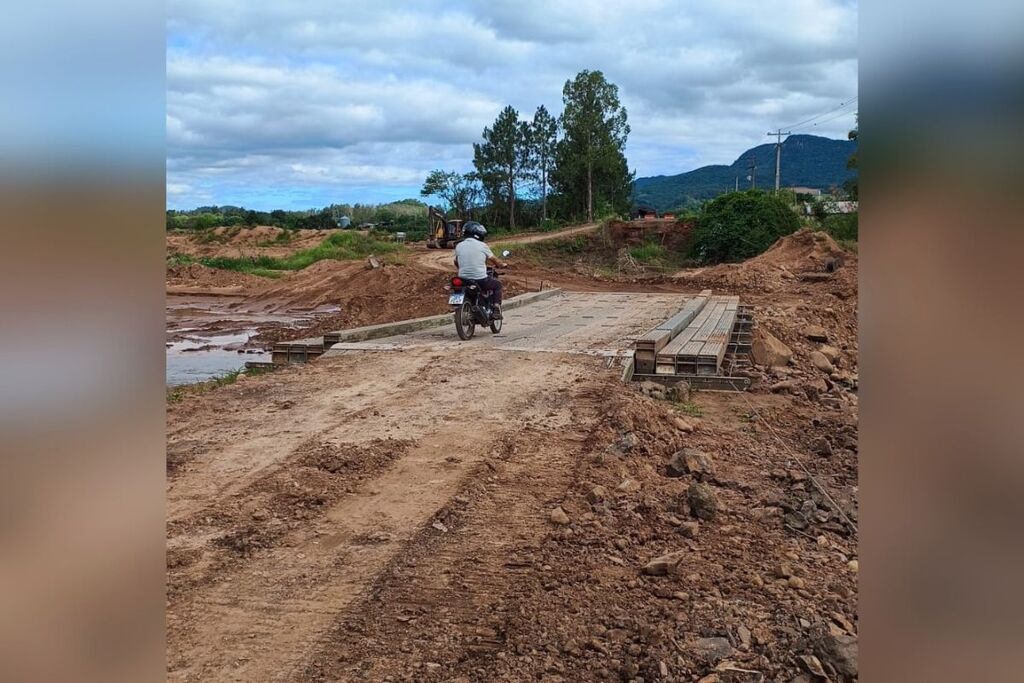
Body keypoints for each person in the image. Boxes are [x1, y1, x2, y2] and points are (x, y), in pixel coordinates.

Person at [454, 221, 507, 318]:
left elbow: (456, 262)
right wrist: (502, 264)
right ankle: (495, 308)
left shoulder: (459, 246)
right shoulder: (482, 245)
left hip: (463, 279)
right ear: (477, 233)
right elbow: (494, 260)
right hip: (480, 279)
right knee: (497, 285)